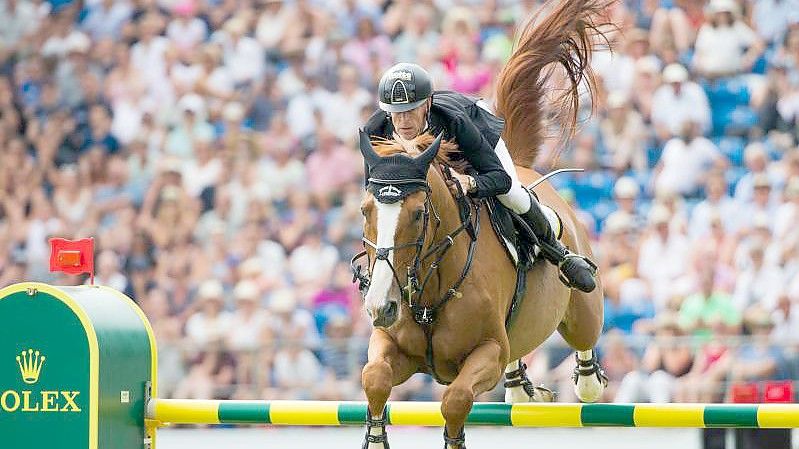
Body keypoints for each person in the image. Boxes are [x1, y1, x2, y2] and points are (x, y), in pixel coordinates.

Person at [362, 62, 596, 292]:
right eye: (396, 113)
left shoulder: (455, 121)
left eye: (411, 110)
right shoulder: (375, 132)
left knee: (512, 194)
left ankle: (559, 252)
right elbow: (373, 195)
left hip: (475, 141)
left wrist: (470, 182)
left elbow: (499, 179)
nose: (403, 121)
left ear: (427, 104)